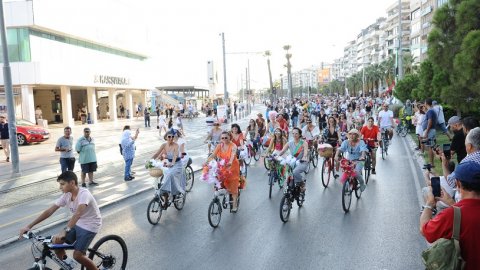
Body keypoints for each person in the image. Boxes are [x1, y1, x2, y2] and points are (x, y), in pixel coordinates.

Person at [19, 171, 102, 270]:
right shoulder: (66, 195)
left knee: (78, 255)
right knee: (56, 244)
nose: (60, 187)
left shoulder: (84, 194)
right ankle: (68, 265)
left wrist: (66, 230)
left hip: (91, 225)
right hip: (77, 223)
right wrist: (29, 226)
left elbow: (77, 214)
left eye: (62, 184)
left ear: (72, 183)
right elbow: (50, 211)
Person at [420, 160, 480, 270]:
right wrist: (452, 203)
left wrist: (429, 204)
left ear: (458, 183)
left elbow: (425, 231)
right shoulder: (455, 211)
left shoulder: (451, 215)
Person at [205, 131, 240, 212]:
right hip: (222, 166)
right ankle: (217, 196)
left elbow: (233, 155)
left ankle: (234, 205)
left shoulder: (233, 145)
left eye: (226, 137)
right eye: (222, 138)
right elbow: (213, 155)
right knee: (217, 179)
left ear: (229, 137)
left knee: (233, 185)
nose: (224, 139)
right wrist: (206, 161)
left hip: (232, 167)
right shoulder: (219, 146)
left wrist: (230, 162)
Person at [151, 129, 185, 209]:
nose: (171, 138)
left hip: (177, 165)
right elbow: (157, 154)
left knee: (169, 176)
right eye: (169, 137)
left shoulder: (176, 145)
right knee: (165, 180)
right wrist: (150, 161)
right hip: (169, 164)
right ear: (166, 137)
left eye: (172, 137)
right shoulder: (163, 145)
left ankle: (175, 192)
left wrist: (172, 163)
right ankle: (166, 201)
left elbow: (175, 155)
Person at [276, 127, 309, 192]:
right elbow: (282, 151)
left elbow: (305, 153)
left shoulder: (304, 143)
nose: (294, 135)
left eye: (296, 133)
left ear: (300, 134)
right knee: (282, 168)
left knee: (295, 172)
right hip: (292, 161)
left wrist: (304, 157)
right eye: (293, 133)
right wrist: (276, 156)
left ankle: (302, 183)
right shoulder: (289, 143)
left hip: (302, 162)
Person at [422, 98, 438, 167]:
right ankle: (431, 163)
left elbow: (430, 121)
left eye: (424, 103)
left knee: (431, 147)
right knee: (430, 147)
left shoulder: (430, 111)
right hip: (431, 130)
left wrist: (426, 132)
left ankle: (431, 163)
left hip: (430, 131)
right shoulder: (430, 111)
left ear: (426, 103)